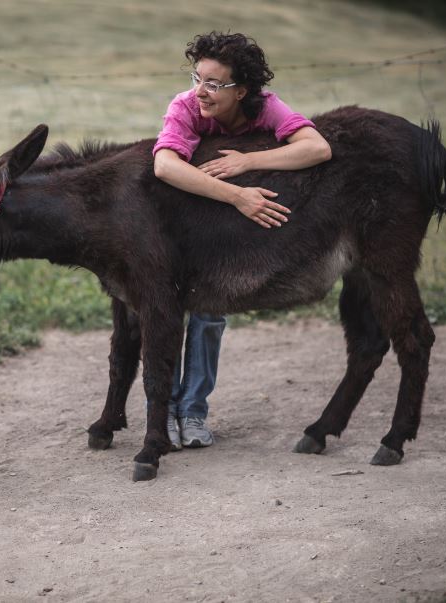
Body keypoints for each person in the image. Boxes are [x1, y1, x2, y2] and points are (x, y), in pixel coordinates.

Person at [153, 32, 332, 450]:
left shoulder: (266, 108)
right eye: (197, 77)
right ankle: (163, 410)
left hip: (225, 235)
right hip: (183, 221)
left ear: (242, 91)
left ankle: (193, 409)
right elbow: (164, 166)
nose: (201, 90)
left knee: (210, 314)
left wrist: (250, 161)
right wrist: (238, 195)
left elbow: (317, 148)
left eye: (214, 84)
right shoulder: (186, 106)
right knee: (164, 310)